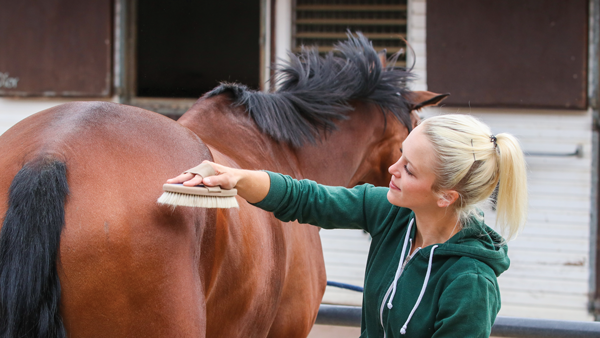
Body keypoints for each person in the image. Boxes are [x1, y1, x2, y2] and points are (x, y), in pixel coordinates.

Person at [167, 114, 527, 337]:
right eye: (401, 154)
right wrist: (235, 178)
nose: (392, 169)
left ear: (445, 196)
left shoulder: (471, 284)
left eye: (410, 169)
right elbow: (308, 199)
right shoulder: (394, 214)